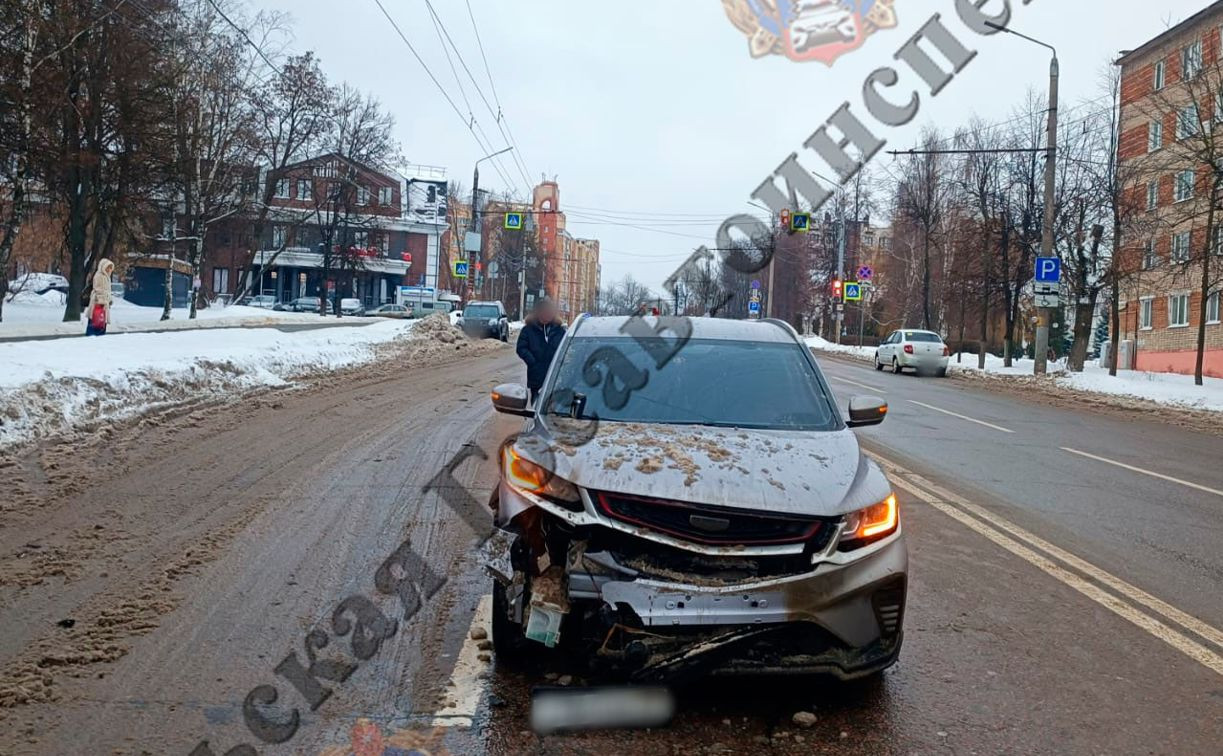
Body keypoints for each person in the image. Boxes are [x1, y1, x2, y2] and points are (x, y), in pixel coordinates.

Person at [516, 298, 565, 405]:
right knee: (536, 404)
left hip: (555, 376)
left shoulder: (559, 330)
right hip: (536, 377)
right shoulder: (528, 330)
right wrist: (532, 362)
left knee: (554, 406)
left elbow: (566, 350)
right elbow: (521, 348)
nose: (547, 314)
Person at [85, 258, 115, 336]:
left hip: (103, 303)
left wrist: (109, 300)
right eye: (108, 267)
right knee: (96, 319)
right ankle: (93, 336)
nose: (109, 269)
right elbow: (98, 289)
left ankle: (98, 335)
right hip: (98, 302)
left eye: (110, 267)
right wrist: (102, 300)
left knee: (100, 320)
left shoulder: (106, 277)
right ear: (103, 267)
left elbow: (107, 290)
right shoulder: (99, 276)